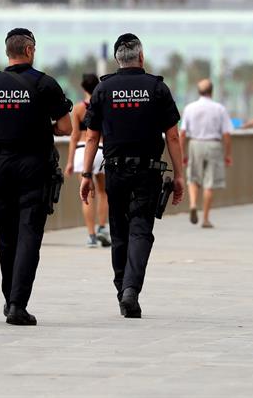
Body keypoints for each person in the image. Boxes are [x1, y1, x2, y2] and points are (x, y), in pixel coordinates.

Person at [0, 28, 73, 325]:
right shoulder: (45, 84)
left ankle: (8, 299)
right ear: (29, 51)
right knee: (29, 234)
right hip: (34, 165)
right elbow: (65, 127)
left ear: (7, 52)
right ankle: (17, 304)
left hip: (1, 165)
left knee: (7, 238)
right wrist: (43, 128)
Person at [80, 33, 184, 319]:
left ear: (117, 60)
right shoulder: (157, 88)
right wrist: (180, 176)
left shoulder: (104, 89)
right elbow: (173, 136)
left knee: (119, 230)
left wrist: (86, 174)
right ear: (141, 56)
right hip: (147, 172)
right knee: (140, 230)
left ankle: (121, 288)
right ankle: (131, 290)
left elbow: (91, 137)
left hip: (114, 171)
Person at [180, 79, 234, 228]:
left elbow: (183, 133)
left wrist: (182, 153)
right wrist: (228, 154)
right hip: (214, 144)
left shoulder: (190, 108)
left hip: (195, 143)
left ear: (199, 91)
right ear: (212, 91)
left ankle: (192, 204)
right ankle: (205, 218)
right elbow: (227, 134)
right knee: (209, 184)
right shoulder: (219, 109)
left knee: (193, 177)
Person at [66, 73, 111, 248]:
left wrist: (70, 162)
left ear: (83, 88)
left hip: (80, 152)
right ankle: (101, 227)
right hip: (99, 150)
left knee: (85, 196)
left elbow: (74, 136)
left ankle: (91, 235)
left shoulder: (78, 109)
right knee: (102, 192)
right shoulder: (103, 106)